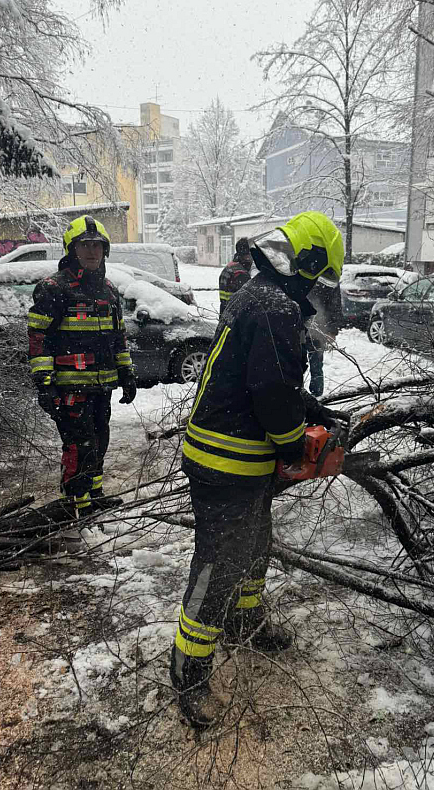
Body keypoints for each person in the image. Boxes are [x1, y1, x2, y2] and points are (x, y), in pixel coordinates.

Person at [170, 210, 345, 729]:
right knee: (219, 563)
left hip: (240, 456)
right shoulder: (273, 307)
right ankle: (189, 668)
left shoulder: (260, 295)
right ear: (306, 264)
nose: (319, 290)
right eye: (320, 277)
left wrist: (315, 412)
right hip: (225, 459)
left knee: (256, 543)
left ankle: (245, 620)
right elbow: (269, 392)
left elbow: (274, 382)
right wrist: (295, 445)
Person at [27, 215, 137, 517]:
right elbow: (39, 339)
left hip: (102, 386)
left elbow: (118, 337)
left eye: (97, 246)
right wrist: (44, 383)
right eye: (85, 245)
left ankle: (94, 496)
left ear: (105, 250)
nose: (92, 251)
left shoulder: (109, 290)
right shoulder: (53, 288)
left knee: (100, 441)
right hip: (69, 387)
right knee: (79, 446)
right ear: (72, 249)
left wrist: (126, 373)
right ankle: (76, 505)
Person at [306, 282, 344, 397]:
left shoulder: (328, 278)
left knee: (316, 364)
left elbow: (335, 305)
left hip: (319, 326)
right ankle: (299, 393)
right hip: (300, 325)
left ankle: (317, 395)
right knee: (300, 364)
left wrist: (332, 330)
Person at [218, 237, 253, 314]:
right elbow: (247, 301)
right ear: (247, 255)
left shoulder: (230, 267)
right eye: (252, 253)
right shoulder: (241, 274)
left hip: (226, 314)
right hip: (236, 315)